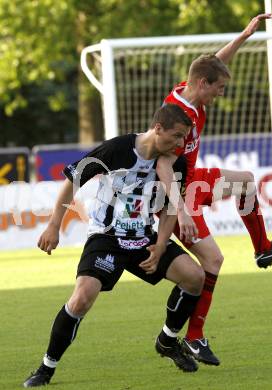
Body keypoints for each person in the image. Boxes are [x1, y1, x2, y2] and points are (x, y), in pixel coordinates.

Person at [23, 104, 206, 388]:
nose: (181, 144)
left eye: (184, 138)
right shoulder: (117, 149)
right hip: (106, 237)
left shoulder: (175, 164)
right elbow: (74, 178)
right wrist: (53, 225)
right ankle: (45, 369)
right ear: (157, 129)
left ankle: (168, 341)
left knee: (195, 278)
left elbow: (170, 208)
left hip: (144, 238)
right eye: (176, 136)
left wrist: (159, 245)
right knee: (82, 298)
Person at [156, 14, 272, 366]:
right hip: (172, 194)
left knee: (246, 180)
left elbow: (214, 64)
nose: (222, 93)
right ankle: (193, 337)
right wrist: (183, 213)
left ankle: (263, 248)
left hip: (193, 180)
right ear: (203, 84)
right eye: (219, 87)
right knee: (213, 261)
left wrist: (244, 36)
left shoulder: (186, 90)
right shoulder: (179, 116)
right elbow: (161, 167)